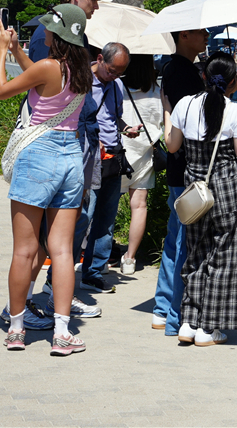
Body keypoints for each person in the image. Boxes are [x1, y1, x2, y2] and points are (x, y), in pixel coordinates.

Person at [0, 0, 108, 329]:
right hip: (71, 155)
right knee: (62, 250)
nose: (43, 31)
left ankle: (15, 323)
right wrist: (17, 50)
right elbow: (43, 79)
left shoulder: (49, 63)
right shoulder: (81, 69)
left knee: (26, 249)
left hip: (40, 154)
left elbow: (4, 89)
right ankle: (63, 330)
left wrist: (3, 52)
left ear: (56, 35)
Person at [164, 52, 237, 346]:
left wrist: (168, 112)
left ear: (204, 77)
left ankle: (188, 323)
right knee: (223, 257)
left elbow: (172, 146)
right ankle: (208, 328)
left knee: (195, 254)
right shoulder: (234, 111)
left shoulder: (185, 104)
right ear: (233, 83)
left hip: (194, 189)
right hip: (228, 188)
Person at [152, 27, 208, 336]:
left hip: (178, 168)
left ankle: (162, 309)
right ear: (184, 35)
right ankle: (173, 315)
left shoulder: (174, 68)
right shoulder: (183, 72)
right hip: (187, 166)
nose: (207, 36)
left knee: (175, 239)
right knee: (182, 243)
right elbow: (189, 125)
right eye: (201, 32)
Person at [77, 42, 142, 294]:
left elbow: (114, 118)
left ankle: (93, 273)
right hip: (91, 158)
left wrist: (127, 129)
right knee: (84, 217)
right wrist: (94, 138)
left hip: (114, 159)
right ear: (100, 58)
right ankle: (61, 273)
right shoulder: (81, 82)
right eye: (112, 70)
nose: (115, 76)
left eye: (120, 72)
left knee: (106, 220)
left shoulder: (115, 86)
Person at [117, 55, 164, 275]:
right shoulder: (156, 92)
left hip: (116, 156)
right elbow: (162, 123)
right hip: (144, 156)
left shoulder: (117, 87)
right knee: (139, 206)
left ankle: (99, 257)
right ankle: (130, 258)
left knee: (106, 207)